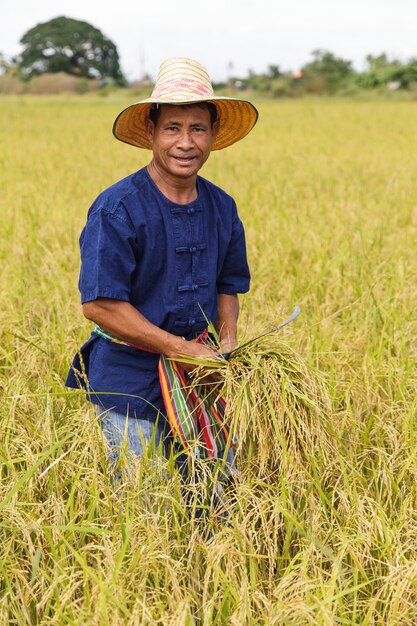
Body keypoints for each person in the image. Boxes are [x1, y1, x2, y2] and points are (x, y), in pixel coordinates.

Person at [66, 57, 258, 472]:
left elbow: (229, 286)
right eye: (172, 128)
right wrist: (179, 349)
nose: (185, 143)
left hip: (200, 378)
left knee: (217, 494)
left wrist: (225, 350)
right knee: (145, 510)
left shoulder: (222, 207)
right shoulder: (118, 208)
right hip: (129, 381)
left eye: (197, 129)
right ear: (152, 132)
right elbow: (98, 305)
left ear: (213, 135)